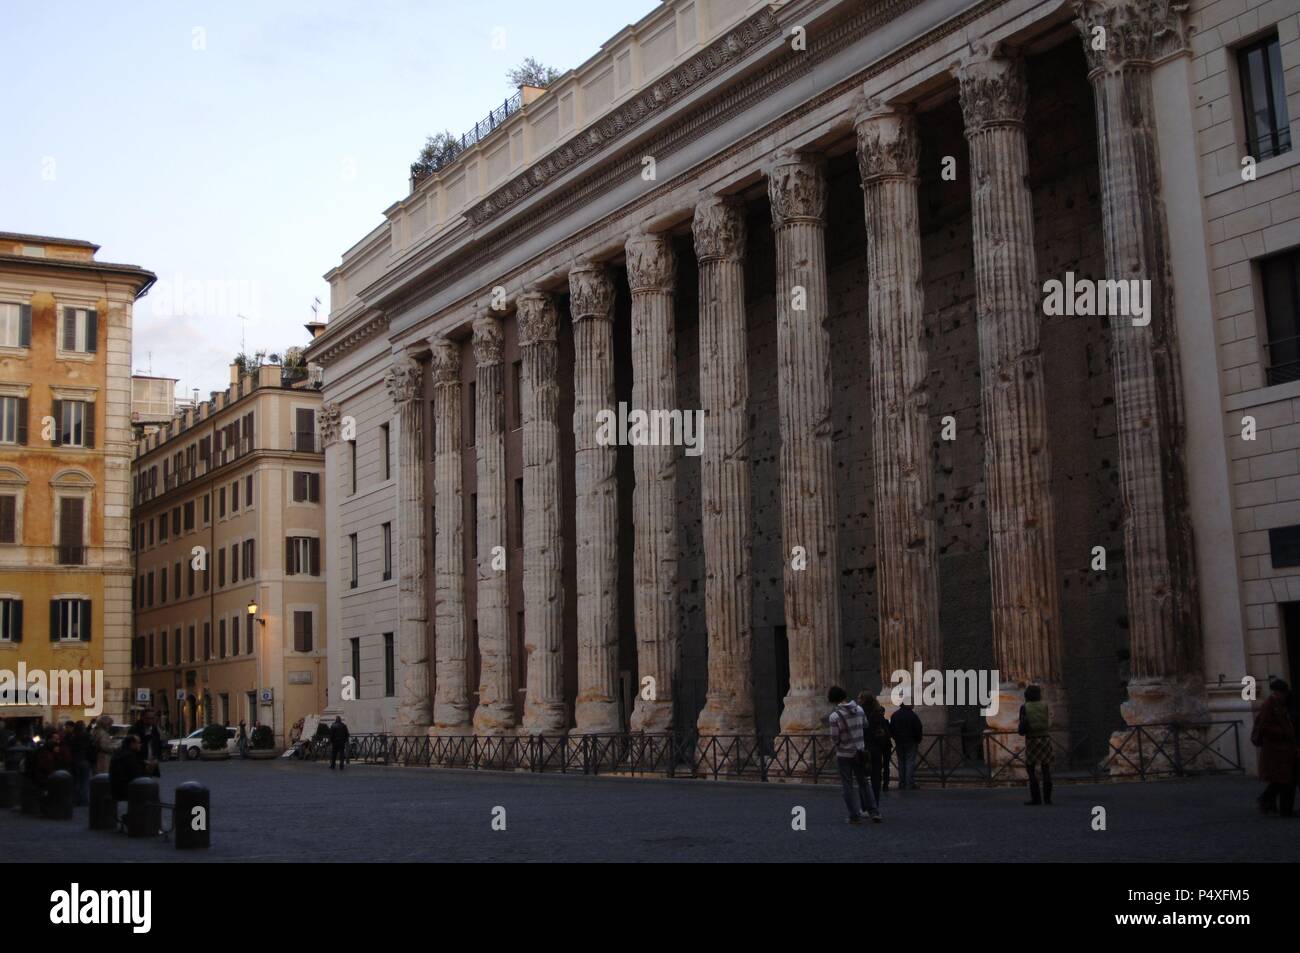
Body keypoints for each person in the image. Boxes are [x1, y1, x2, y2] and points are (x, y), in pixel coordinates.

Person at [828, 686, 881, 824]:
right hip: (860, 752)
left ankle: (854, 816)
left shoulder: (834, 716)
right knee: (864, 783)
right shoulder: (860, 709)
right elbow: (865, 725)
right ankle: (874, 812)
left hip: (844, 755)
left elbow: (834, 738)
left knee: (847, 786)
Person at [1252, 679, 1296, 817]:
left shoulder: (1279, 704)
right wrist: (1283, 733)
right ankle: (1271, 803)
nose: (1285, 695)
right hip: (1276, 749)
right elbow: (1264, 727)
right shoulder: (1269, 705)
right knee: (1283, 779)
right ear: (1277, 692)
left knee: (1282, 779)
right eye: (1283, 693)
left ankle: (1269, 803)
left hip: (1282, 749)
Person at [1019, 684, 1054, 806]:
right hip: (1045, 738)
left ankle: (1036, 798)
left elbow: (1022, 726)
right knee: (1046, 769)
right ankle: (1048, 799)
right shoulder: (1045, 706)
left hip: (1032, 739)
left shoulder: (1025, 707)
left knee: (1031, 769)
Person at [859, 692, 893, 801]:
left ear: (862, 700)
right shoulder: (878, 714)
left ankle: (864, 806)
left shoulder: (859, 713)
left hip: (863, 748)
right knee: (876, 777)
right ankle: (875, 805)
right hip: (876, 749)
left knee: (863, 778)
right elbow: (884, 733)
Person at [890, 696, 923, 791]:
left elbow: (892, 729)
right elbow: (918, 728)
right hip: (911, 741)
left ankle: (902, 782)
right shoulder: (913, 716)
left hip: (899, 741)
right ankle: (909, 783)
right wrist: (918, 739)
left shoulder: (895, 715)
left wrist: (896, 737)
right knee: (910, 762)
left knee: (901, 762)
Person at [109, 735, 147, 803]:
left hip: (115, 787)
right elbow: (135, 775)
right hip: (124, 788)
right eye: (138, 743)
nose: (140, 745)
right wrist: (148, 769)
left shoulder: (120, 752)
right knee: (150, 789)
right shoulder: (129, 755)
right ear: (132, 744)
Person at [130, 710, 163, 777]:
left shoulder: (154, 729)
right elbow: (132, 749)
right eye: (148, 718)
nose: (151, 720)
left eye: (153, 718)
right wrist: (144, 761)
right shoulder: (135, 729)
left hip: (152, 763)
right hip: (139, 764)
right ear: (142, 718)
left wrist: (156, 759)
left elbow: (158, 745)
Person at [67, 721, 91, 806]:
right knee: (84, 781)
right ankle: (83, 800)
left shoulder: (72, 736)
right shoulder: (86, 736)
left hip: (74, 760)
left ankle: (75, 799)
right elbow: (90, 748)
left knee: (76, 781)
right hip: (83, 759)